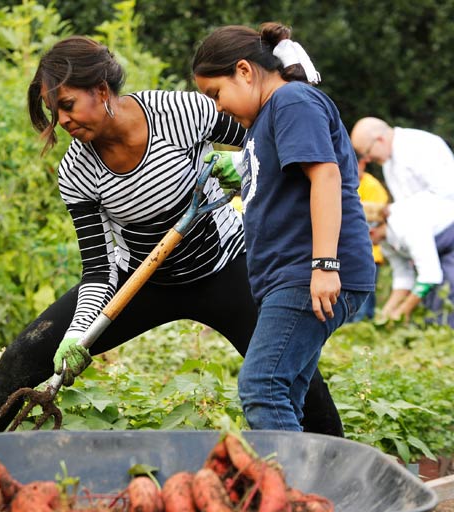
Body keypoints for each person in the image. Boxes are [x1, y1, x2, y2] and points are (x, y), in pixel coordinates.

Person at [0, 35, 345, 439]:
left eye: (67, 105)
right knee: (27, 353)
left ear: (101, 90)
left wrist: (240, 163)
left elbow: (271, 135)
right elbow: (99, 268)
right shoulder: (76, 171)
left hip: (227, 268)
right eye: (55, 113)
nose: (63, 121)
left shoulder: (178, 111)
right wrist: (77, 333)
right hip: (141, 281)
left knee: (294, 375)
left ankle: (341, 474)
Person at [192, 22, 374, 431]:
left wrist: (325, 265)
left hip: (309, 270)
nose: (218, 107)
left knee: (263, 386)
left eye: (215, 93)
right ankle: (310, 488)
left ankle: (289, 494)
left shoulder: (291, 101)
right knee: (286, 393)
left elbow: (325, 176)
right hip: (287, 276)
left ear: (244, 70)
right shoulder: (265, 120)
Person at [369, 193, 454, 327]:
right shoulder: (384, 241)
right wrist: (386, 313)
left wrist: (402, 311)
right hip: (434, 240)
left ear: (371, 232)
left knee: (447, 288)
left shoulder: (406, 227)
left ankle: (445, 331)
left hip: (449, 231)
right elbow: (403, 277)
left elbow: (430, 275)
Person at [350, 117, 454, 203]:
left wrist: (394, 211)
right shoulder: (388, 161)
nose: (367, 159)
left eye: (367, 152)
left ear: (380, 140)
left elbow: (447, 191)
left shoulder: (421, 145)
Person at [350, 158, 390, 322]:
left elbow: (378, 215)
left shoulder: (372, 186)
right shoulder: (344, 183)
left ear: (363, 164)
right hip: (350, 251)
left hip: (371, 251)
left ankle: (364, 326)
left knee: (364, 298)